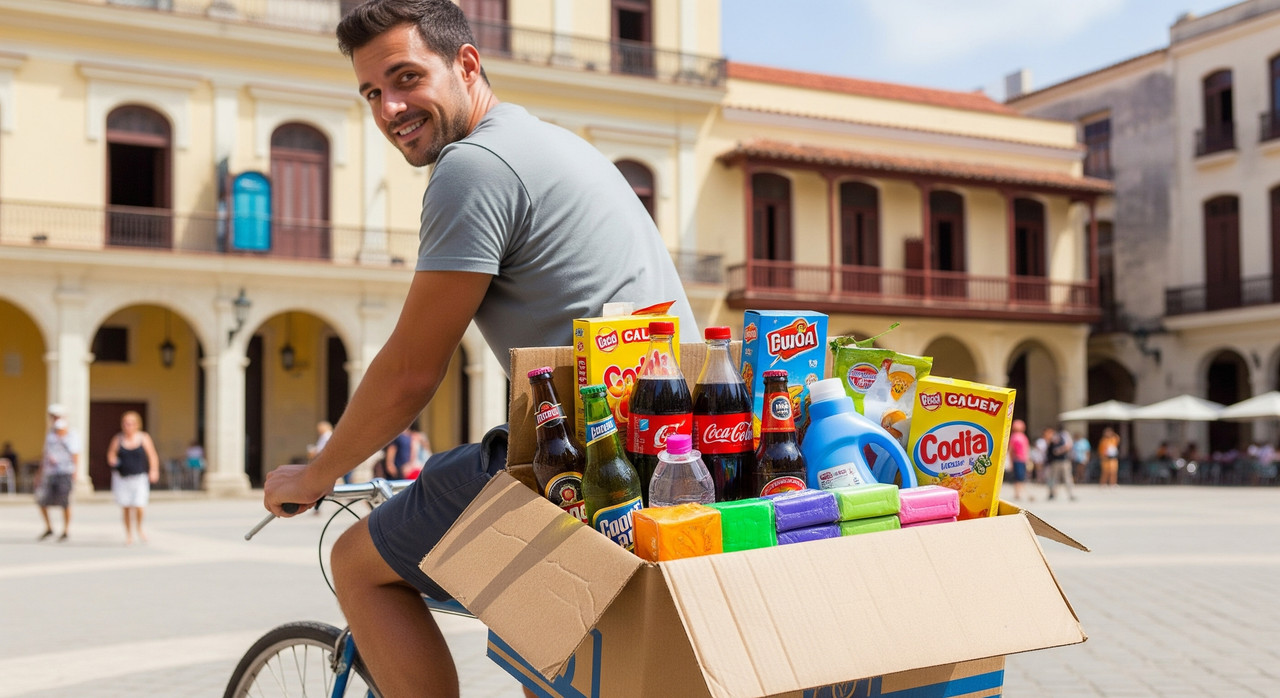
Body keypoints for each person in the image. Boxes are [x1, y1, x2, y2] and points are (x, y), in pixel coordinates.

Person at [262, 3, 696, 696]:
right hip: (677, 451)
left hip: (579, 463)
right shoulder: (555, 143)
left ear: (466, 63)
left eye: (406, 78)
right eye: (372, 92)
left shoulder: (473, 167)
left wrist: (314, 476)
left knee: (355, 561)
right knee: (542, 659)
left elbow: (410, 372)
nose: (390, 107)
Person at [106, 411, 161, 545]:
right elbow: (111, 454)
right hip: (122, 477)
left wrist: (154, 470)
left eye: (130, 423)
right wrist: (112, 460)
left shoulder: (144, 438)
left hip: (139, 477)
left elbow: (152, 455)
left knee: (139, 505)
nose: (127, 426)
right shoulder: (118, 438)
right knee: (126, 506)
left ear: (137, 424)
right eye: (125, 423)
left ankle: (139, 527)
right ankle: (129, 534)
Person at [35, 406, 78, 542]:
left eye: (56, 416)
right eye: (52, 416)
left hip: (65, 471)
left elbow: (75, 454)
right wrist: (39, 473)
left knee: (64, 502)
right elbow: (45, 454)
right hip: (50, 472)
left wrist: (75, 472)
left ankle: (66, 530)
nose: (54, 419)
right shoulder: (50, 434)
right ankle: (49, 528)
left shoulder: (71, 434)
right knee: (42, 500)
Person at [1044, 425, 1076, 501]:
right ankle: (1053, 493)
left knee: (1066, 478)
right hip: (1056, 461)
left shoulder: (1064, 436)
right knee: (1055, 478)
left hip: (1063, 460)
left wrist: (1060, 450)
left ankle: (1070, 494)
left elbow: (1068, 446)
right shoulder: (1055, 436)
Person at [1007, 419, 1033, 502]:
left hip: (1021, 459)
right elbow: (1012, 450)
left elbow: (1026, 449)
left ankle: (1018, 493)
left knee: (1020, 477)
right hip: (1018, 459)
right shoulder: (1017, 437)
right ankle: (1018, 493)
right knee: (1019, 477)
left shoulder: (1019, 437)